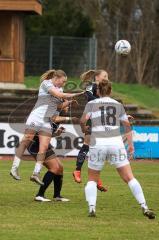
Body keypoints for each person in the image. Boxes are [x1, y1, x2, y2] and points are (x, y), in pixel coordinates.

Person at [80, 79, 155, 219]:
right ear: (110, 91)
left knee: (92, 178)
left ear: (97, 91)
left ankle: (92, 208)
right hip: (116, 143)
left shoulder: (91, 104)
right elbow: (127, 126)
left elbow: (82, 121)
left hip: (98, 144)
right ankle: (144, 206)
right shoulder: (118, 105)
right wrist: (131, 145)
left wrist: (85, 128)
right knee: (129, 177)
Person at [10, 69, 83, 185]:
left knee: (43, 147)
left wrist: (69, 102)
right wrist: (77, 93)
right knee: (27, 140)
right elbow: (59, 95)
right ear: (56, 77)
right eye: (63, 81)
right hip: (36, 117)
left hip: (46, 120)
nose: (63, 84)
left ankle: (35, 173)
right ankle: (14, 168)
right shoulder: (46, 83)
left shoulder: (60, 88)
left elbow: (58, 106)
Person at [73, 69, 108, 192]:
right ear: (97, 77)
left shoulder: (104, 90)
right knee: (87, 145)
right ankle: (77, 170)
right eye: (104, 76)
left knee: (97, 150)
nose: (106, 78)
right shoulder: (91, 86)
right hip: (91, 119)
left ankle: (96, 179)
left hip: (101, 122)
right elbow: (88, 96)